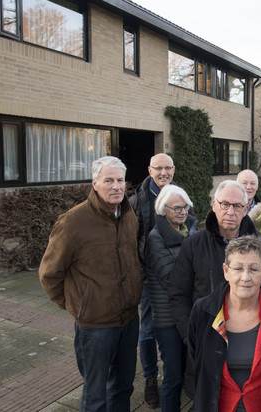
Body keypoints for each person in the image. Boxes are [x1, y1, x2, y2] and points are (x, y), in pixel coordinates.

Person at [39, 156, 142, 412]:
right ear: (95, 183)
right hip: (95, 326)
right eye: (109, 180)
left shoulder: (130, 216)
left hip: (129, 320)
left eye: (120, 180)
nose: (116, 186)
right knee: (95, 395)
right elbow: (49, 273)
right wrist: (79, 305)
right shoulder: (73, 222)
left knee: (123, 387)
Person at [168, 180, 261, 341]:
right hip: (206, 335)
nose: (231, 212)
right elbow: (179, 294)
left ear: (246, 209)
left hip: (253, 335)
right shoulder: (194, 244)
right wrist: (190, 335)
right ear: (213, 205)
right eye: (225, 204)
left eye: (237, 206)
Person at [188, 236, 261, 412]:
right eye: (238, 268)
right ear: (226, 271)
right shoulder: (204, 312)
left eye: (254, 269)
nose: (245, 277)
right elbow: (197, 363)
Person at [145, 184, 197, 412]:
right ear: (162, 209)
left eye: (185, 207)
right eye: (176, 208)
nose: (182, 211)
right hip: (167, 319)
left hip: (190, 314)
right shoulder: (155, 239)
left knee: (190, 371)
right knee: (173, 376)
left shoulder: (191, 231)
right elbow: (171, 279)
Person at [130, 152, 176, 408]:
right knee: (147, 330)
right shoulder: (137, 200)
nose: (163, 173)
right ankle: (149, 378)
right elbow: (132, 241)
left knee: (172, 328)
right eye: (158, 168)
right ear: (149, 170)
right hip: (148, 278)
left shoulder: (179, 196)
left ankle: (173, 374)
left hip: (174, 276)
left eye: (168, 168)